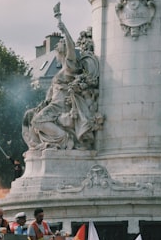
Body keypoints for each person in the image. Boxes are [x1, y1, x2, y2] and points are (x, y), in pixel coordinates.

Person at [21, 11, 102, 152]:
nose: (56, 49)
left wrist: (64, 30)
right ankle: (43, 145)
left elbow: (71, 46)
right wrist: (42, 105)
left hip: (61, 106)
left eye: (58, 48)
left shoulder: (69, 66)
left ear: (62, 52)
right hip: (53, 104)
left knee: (37, 121)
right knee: (30, 116)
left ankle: (64, 139)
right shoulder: (61, 71)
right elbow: (50, 94)